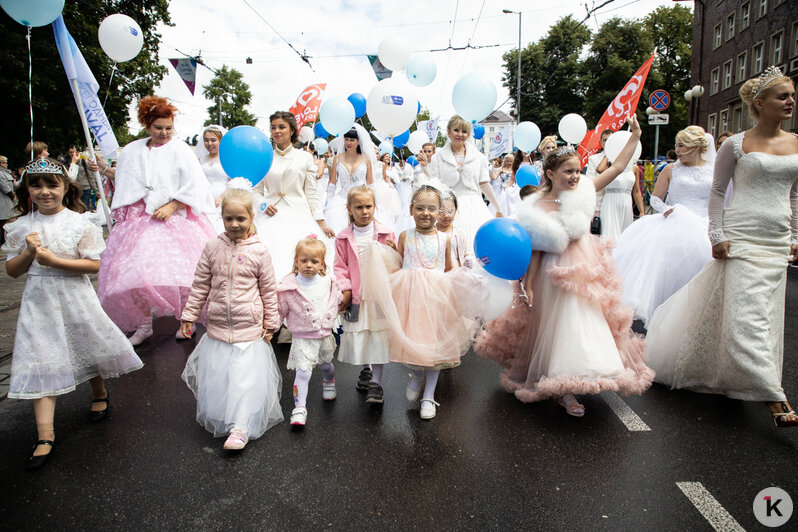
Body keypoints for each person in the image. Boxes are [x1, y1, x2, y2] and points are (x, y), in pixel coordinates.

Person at [646, 68, 798, 427]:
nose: (790, 101)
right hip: (741, 234)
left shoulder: (797, 143)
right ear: (760, 104)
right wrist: (717, 234)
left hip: (775, 239)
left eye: (792, 95)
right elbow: (716, 192)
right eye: (783, 96)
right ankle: (775, 396)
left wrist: (795, 236)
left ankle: (737, 377)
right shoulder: (735, 144)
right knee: (746, 316)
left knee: (764, 315)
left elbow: (795, 195)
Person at [476, 116, 653, 417]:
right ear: (549, 174)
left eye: (577, 171)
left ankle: (593, 370)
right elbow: (532, 250)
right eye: (568, 172)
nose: (575, 176)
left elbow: (617, 168)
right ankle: (565, 389)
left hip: (585, 267)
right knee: (558, 327)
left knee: (588, 320)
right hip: (552, 274)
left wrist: (634, 136)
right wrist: (528, 283)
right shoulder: (533, 209)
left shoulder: (583, 190)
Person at [3, 158, 143, 469]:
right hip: (38, 302)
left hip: (74, 295)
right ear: (26, 189)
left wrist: (55, 262)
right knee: (41, 356)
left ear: (66, 187)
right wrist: (28, 252)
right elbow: (12, 271)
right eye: (36, 185)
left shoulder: (80, 224)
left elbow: (94, 264)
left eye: (52, 185)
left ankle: (99, 391)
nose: (44, 192)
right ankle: (44, 435)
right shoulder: (19, 227)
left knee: (86, 344)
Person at [359, 184, 489, 420]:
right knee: (414, 339)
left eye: (431, 208)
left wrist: (465, 281)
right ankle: (417, 375)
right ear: (411, 209)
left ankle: (428, 395)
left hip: (437, 296)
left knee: (435, 345)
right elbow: (399, 262)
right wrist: (386, 254)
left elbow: (449, 268)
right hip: (409, 295)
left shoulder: (445, 239)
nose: (425, 213)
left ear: (440, 212)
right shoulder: (405, 236)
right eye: (420, 208)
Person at [97, 96, 217, 345]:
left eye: (168, 128)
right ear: (147, 126)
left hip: (175, 221)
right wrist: (106, 171)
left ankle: (187, 320)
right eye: (158, 128)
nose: (164, 133)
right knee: (135, 276)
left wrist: (173, 204)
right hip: (139, 222)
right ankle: (143, 325)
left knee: (184, 274)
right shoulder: (132, 150)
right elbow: (126, 180)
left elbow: (196, 186)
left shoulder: (181, 150)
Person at [180, 182, 283, 450]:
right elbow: (201, 284)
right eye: (229, 218)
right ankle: (229, 417)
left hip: (248, 328)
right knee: (221, 376)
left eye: (241, 218)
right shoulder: (212, 247)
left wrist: (271, 323)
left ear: (251, 218)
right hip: (217, 327)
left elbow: (269, 290)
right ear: (222, 218)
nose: (235, 224)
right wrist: (189, 314)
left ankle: (241, 426)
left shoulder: (259, 250)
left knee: (244, 378)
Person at [613, 126, 715, 326]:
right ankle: (666, 315)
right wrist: (668, 209)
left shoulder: (713, 171)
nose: (677, 149)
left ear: (696, 147)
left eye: (682, 145)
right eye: (677, 145)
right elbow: (656, 199)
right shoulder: (670, 169)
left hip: (704, 223)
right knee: (668, 270)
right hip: (675, 222)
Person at [254, 111, 335, 280]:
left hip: (298, 213)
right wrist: (263, 205)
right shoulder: (264, 157)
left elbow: (311, 192)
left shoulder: (304, 157)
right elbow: (256, 191)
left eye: (281, 127)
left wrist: (321, 222)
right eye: (273, 127)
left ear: (292, 130)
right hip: (270, 214)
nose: (277, 131)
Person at [334, 186, 396, 404]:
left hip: (378, 296)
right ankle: (366, 369)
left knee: (378, 337)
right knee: (361, 334)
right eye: (359, 207)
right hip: (358, 296)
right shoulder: (343, 238)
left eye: (368, 206)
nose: (364, 211)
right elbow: (340, 267)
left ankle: (377, 384)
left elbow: (394, 261)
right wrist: (346, 288)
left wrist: (392, 253)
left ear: (374, 206)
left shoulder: (386, 233)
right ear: (349, 208)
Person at [278, 237, 342, 426]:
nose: (308, 265)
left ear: (322, 263)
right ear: (296, 261)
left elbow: (336, 300)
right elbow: (279, 310)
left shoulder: (328, 282)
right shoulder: (288, 287)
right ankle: (299, 408)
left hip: (323, 336)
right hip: (302, 338)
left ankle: (329, 380)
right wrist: (271, 327)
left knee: (325, 365)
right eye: (304, 260)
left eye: (314, 261)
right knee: (303, 372)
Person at [424, 116, 503, 242]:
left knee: (476, 243)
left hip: (474, 207)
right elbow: (434, 184)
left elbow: (484, 184)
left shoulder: (479, 157)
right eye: (456, 130)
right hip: (447, 207)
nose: (460, 134)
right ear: (449, 131)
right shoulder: (437, 158)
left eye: (464, 131)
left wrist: (498, 209)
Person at [595, 142, 645, 239]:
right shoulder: (611, 167)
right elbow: (599, 169)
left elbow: (636, 191)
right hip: (610, 202)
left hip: (626, 203)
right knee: (610, 233)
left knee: (625, 234)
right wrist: (608, 154)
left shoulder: (634, 168)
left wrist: (642, 211)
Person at [195, 124, 230, 234]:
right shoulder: (200, 159)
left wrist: (221, 198)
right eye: (206, 140)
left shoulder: (226, 160)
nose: (209, 144)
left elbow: (233, 182)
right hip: (203, 198)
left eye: (213, 140)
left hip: (222, 199)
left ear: (220, 141)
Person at [585, 129, 613, 234]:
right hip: (599, 206)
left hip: (615, 204)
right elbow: (590, 182)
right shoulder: (594, 159)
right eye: (605, 140)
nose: (608, 143)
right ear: (601, 143)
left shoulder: (622, 160)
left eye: (611, 140)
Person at [436, 192, 474, 268]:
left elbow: (467, 251)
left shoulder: (460, 233)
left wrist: (468, 259)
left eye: (450, 211)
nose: (446, 215)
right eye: (441, 212)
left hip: (456, 270)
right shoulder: (431, 232)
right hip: (438, 270)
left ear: (456, 210)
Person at [65, 146, 100, 212]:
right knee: (73, 209)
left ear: (78, 153)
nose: (72, 154)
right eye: (70, 152)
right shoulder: (66, 162)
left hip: (85, 189)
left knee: (85, 209)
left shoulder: (84, 162)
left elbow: (91, 177)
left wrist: (96, 191)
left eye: (74, 152)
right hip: (73, 189)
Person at [0, 155, 15, 245]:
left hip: (6, 201)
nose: (7, 164)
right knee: (4, 223)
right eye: (5, 162)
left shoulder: (6, 173)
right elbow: (5, 187)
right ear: (1, 163)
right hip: (3, 202)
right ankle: (4, 242)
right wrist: (12, 195)